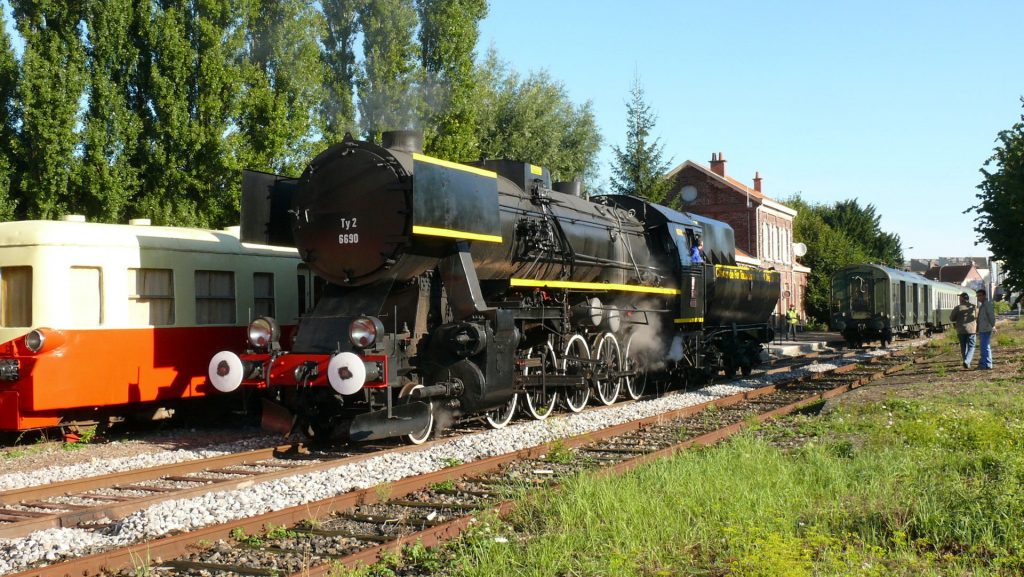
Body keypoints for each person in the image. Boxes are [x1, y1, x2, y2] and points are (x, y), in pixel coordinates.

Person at [949, 292, 977, 369]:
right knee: (971, 346)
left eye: (960, 298)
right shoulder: (974, 307)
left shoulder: (958, 308)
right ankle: (967, 361)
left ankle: (966, 361)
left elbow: (951, 318)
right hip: (972, 330)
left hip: (961, 330)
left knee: (963, 347)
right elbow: (977, 317)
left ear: (961, 299)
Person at [975, 288, 996, 370]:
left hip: (986, 329)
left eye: (980, 296)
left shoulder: (987, 305)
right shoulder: (983, 305)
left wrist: (993, 326)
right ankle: (987, 364)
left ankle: (984, 365)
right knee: (985, 347)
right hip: (983, 329)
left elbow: (991, 316)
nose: (978, 298)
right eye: (977, 296)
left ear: (984, 296)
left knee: (984, 347)